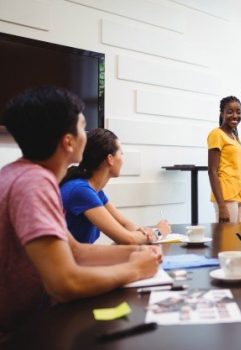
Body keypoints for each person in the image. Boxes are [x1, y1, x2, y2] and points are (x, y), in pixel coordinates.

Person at [0, 86, 161, 344]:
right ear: (68, 141)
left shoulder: (22, 175)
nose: (86, 135)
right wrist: (133, 269)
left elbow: (75, 251)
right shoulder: (34, 184)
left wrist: (136, 254)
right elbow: (64, 284)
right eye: (82, 127)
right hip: (19, 335)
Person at [60, 128, 170, 244]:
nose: (122, 159)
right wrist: (158, 232)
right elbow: (128, 239)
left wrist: (142, 232)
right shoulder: (81, 191)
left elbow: (124, 224)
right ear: (110, 159)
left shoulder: (94, 190)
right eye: (121, 154)